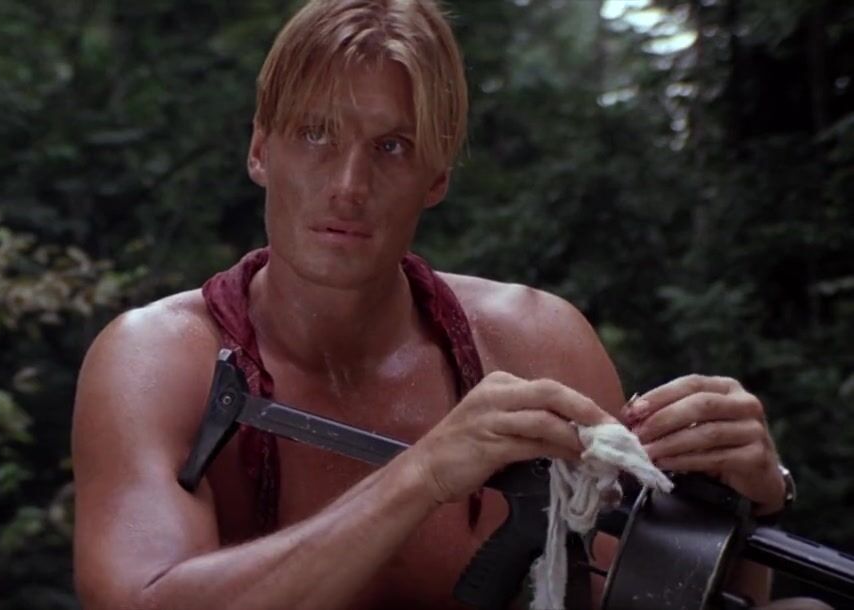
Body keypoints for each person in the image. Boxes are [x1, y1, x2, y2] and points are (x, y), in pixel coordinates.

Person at [71, 0, 808, 608]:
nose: (348, 186)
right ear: (261, 149)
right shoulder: (158, 360)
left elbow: (657, 597)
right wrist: (421, 477)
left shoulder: (535, 343)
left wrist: (741, 499)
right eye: (316, 134)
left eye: (392, 146)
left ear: (437, 174)